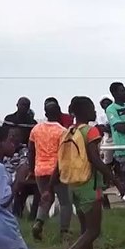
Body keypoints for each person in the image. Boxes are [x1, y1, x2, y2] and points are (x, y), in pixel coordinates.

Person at [51, 96, 119, 249]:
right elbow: (95, 160)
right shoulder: (90, 131)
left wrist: (50, 187)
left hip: (73, 185)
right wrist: (116, 180)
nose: (95, 111)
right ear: (85, 111)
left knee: (85, 230)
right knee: (94, 230)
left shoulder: (68, 132)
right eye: (91, 108)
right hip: (89, 184)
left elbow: (58, 164)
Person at [29, 98, 74, 241]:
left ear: (45, 113)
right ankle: (64, 231)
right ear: (59, 112)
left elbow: (31, 151)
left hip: (40, 170)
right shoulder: (62, 131)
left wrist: (32, 169)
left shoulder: (36, 129)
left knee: (46, 198)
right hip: (57, 170)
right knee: (65, 201)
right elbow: (65, 154)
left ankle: (38, 223)